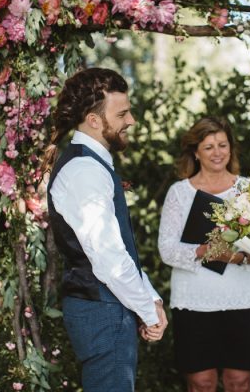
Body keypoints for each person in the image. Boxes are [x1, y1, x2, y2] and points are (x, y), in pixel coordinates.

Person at [42, 67, 167, 391]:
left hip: (107, 308)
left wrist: (150, 300)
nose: (131, 121)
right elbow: (109, 259)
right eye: (122, 113)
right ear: (94, 120)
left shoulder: (91, 164)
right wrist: (147, 311)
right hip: (103, 311)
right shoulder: (85, 170)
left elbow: (118, 247)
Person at [158, 117, 250, 392]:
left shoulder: (247, 190)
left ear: (231, 149)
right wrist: (203, 250)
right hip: (194, 301)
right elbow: (166, 249)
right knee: (201, 383)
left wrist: (236, 256)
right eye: (208, 147)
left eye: (222, 145)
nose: (217, 153)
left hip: (243, 297)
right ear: (196, 152)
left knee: (239, 382)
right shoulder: (178, 193)